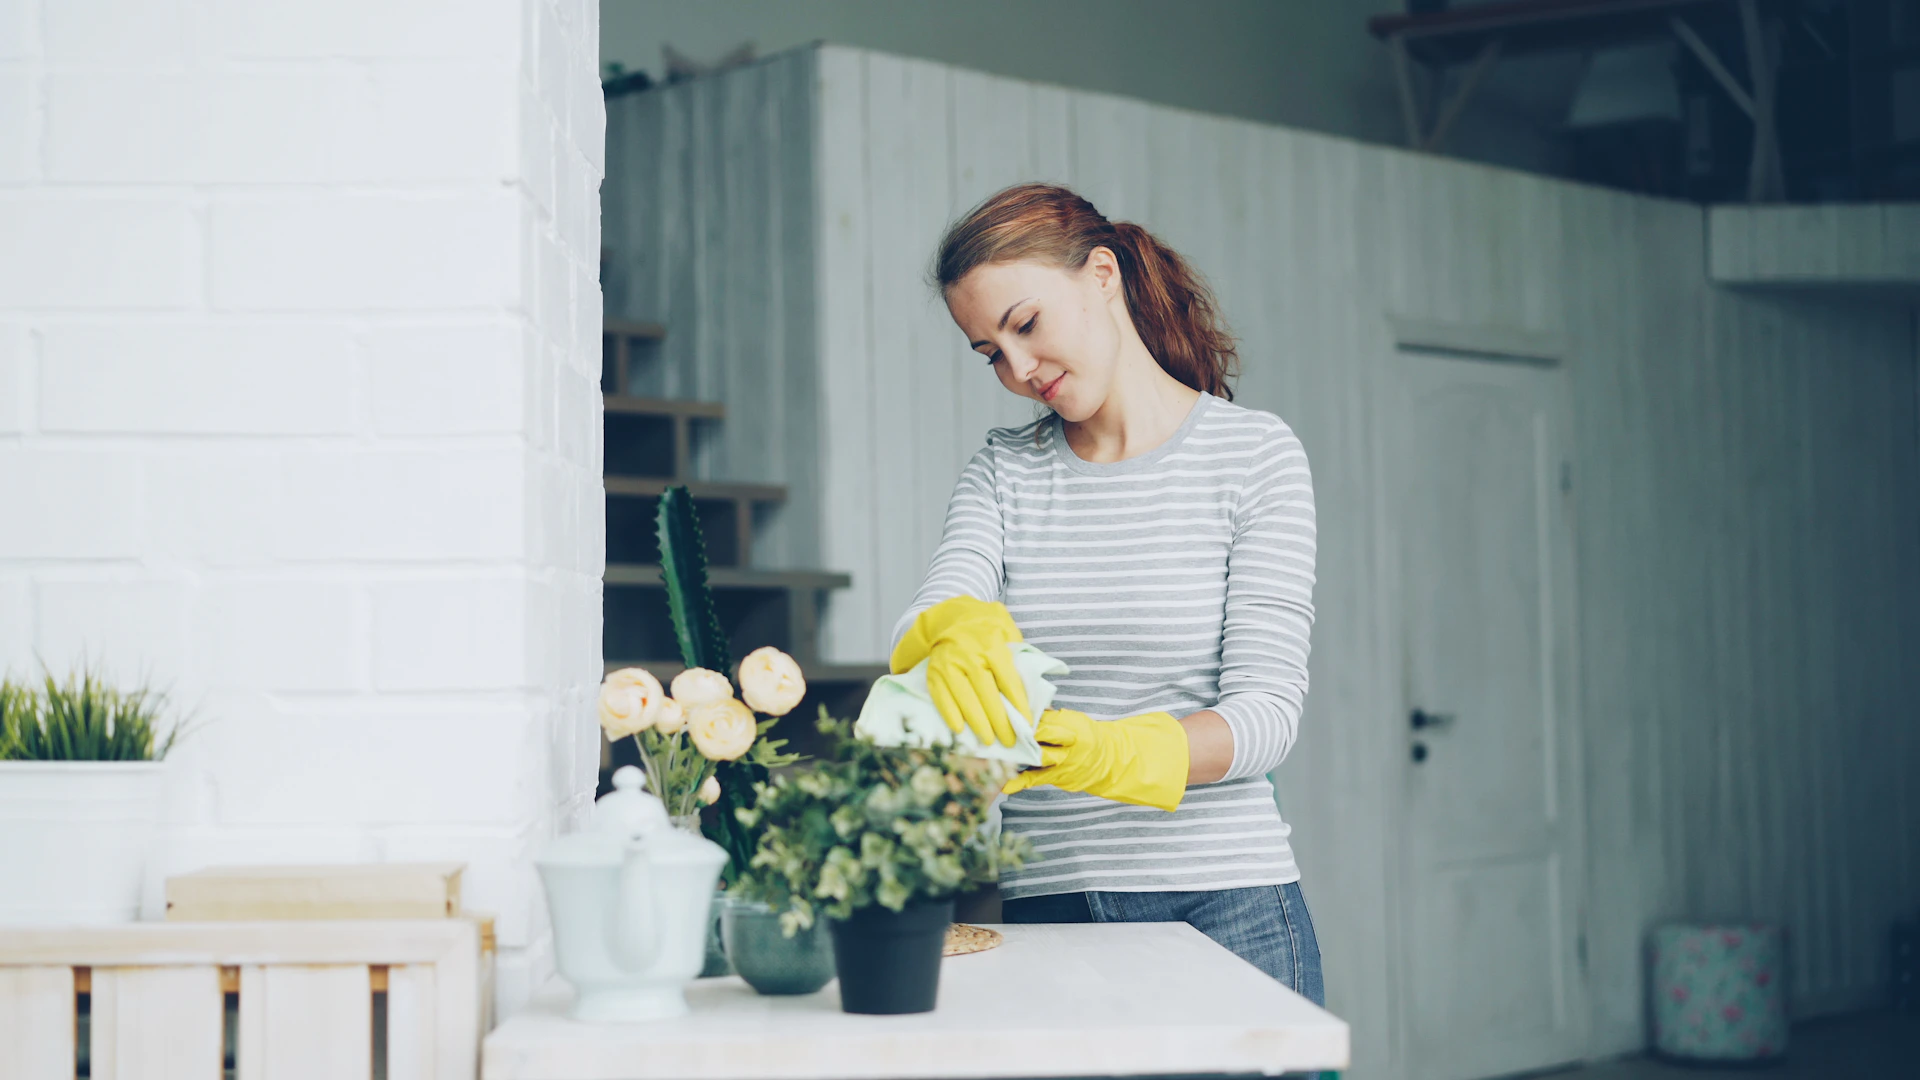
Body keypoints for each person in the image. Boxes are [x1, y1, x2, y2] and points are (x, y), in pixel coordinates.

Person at [887, 182, 1323, 1004]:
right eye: (989, 352)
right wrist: (950, 629)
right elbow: (935, 605)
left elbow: (1266, 716)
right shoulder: (1004, 472)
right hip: (1049, 912)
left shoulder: (1252, 456)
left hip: (1226, 907)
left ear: (1101, 275)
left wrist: (1118, 753)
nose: (1017, 371)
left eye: (1025, 325)